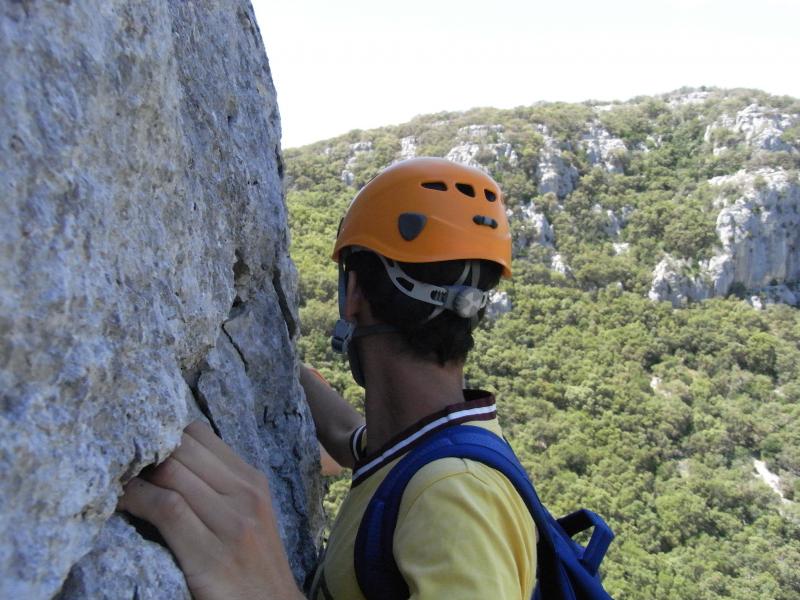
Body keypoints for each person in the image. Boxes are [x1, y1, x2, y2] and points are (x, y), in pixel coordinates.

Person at [119, 157, 536, 599]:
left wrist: (269, 590)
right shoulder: (431, 443)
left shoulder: (455, 498)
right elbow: (353, 436)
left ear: (353, 292)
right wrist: (273, 366)